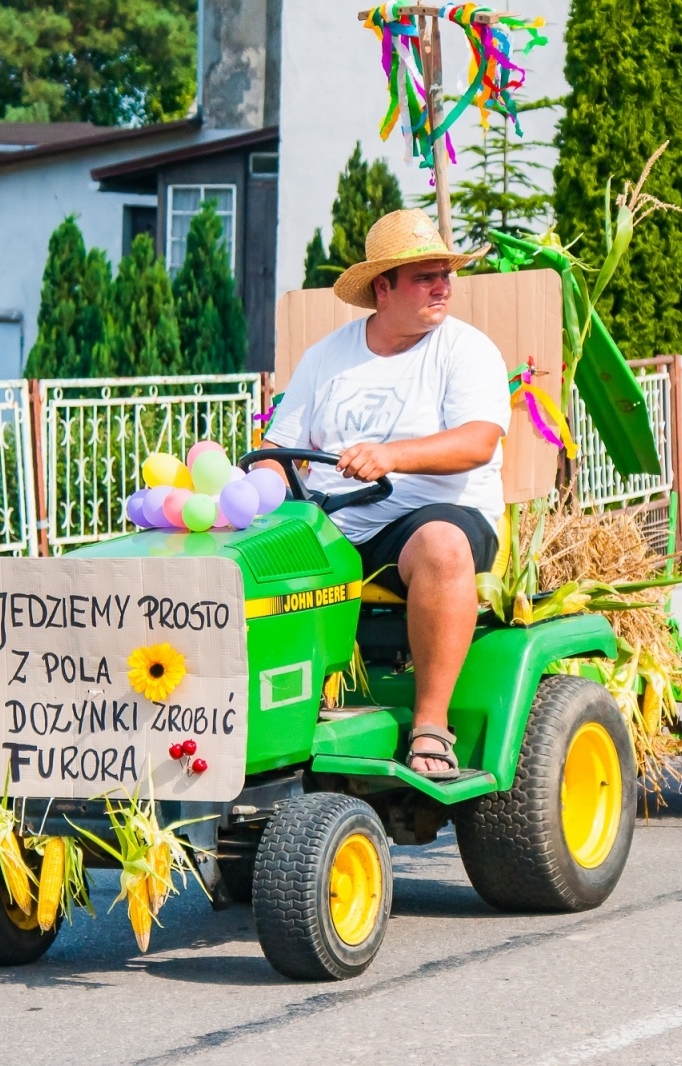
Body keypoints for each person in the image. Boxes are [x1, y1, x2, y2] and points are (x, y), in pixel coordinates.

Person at [262, 209, 511, 780]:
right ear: (384, 287)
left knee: (443, 545)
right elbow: (281, 450)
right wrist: (245, 497)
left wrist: (391, 455)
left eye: (445, 273)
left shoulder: (466, 351)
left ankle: (430, 726)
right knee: (251, 555)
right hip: (334, 524)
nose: (442, 286)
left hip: (429, 515)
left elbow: (478, 442)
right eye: (425, 276)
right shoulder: (328, 356)